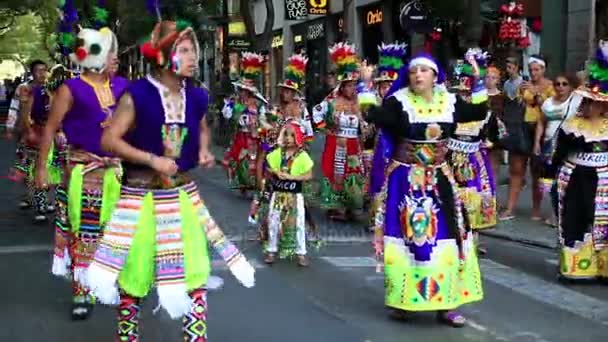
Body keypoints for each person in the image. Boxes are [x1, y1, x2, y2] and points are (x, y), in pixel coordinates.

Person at [86, 21, 255, 340]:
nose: (193, 57)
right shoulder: (137, 94)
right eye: (186, 50)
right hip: (140, 199)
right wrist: (152, 159)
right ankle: (128, 336)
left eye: (194, 50)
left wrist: (204, 150)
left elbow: (202, 126)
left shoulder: (197, 96)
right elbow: (109, 140)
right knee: (134, 272)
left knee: (194, 269)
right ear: (164, 56)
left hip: (182, 196)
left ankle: (195, 337)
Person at [367, 51, 487, 327]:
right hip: (405, 181)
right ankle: (405, 301)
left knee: (448, 238)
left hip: (440, 180)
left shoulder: (450, 101)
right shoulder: (399, 102)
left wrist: (478, 81)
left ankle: (448, 304)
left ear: (435, 76)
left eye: (423, 70)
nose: (417, 75)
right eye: (413, 71)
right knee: (409, 240)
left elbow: (479, 111)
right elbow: (375, 116)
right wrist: (364, 87)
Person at [36, 27, 129, 320]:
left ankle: (111, 283)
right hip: (83, 171)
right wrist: (41, 167)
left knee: (117, 233)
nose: (114, 57)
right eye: (108, 51)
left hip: (116, 171)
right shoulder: (71, 89)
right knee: (84, 233)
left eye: (114, 51)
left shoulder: (124, 87)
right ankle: (82, 290)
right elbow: (50, 128)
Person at [545, 41, 608, 281]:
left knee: (603, 223)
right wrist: (548, 175)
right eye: (588, 101)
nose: (590, 106)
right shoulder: (572, 126)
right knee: (577, 219)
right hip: (576, 178)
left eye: (596, 102)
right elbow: (557, 153)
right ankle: (577, 266)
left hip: (603, 179)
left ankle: (603, 267)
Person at [313, 42, 368, 221]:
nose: (352, 89)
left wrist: (366, 130)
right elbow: (316, 113)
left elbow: (365, 122)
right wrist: (325, 130)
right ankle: (338, 207)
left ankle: (352, 205)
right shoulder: (332, 101)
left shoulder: (359, 102)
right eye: (349, 85)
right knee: (336, 174)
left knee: (354, 174)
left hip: (354, 144)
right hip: (336, 144)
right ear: (342, 87)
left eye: (354, 85)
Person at [501, 55, 555, 220]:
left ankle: (536, 210)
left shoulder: (551, 86)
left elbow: (549, 108)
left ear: (543, 70)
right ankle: (510, 208)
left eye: (536, 69)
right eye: (531, 69)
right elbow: (520, 103)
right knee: (516, 169)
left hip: (542, 130)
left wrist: (536, 93)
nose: (533, 73)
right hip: (523, 127)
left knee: (537, 172)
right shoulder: (524, 85)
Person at [368, 42, 407, 231]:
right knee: (378, 177)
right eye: (382, 86)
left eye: (388, 86)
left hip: (398, 147)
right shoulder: (378, 103)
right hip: (381, 144)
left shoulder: (404, 103)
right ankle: (378, 217)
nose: (385, 90)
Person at [263, 121, 314, 266]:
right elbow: (268, 168)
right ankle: (271, 250)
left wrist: (293, 177)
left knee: (298, 223)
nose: (288, 138)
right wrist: (276, 172)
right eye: (285, 134)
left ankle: (301, 253)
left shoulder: (302, 156)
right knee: (273, 220)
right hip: (279, 194)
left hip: (295, 195)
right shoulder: (278, 153)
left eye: (292, 135)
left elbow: (309, 175)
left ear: (298, 137)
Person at [534, 74, 581, 226]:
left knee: (566, 181)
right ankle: (555, 213)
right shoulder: (548, 103)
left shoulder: (576, 100)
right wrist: (537, 142)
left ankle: (564, 215)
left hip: (568, 147)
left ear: (571, 86)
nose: (560, 87)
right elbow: (541, 122)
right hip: (550, 146)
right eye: (557, 84)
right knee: (552, 182)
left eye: (564, 84)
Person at [221, 52, 267, 194]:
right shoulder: (235, 102)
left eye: (244, 90)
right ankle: (243, 182)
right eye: (241, 90)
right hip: (241, 136)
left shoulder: (258, 104)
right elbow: (227, 115)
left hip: (255, 136)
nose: (242, 92)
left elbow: (264, 118)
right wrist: (230, 106)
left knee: (254, 160)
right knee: (239, 160)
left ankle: (254, 182)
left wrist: (261, 126)